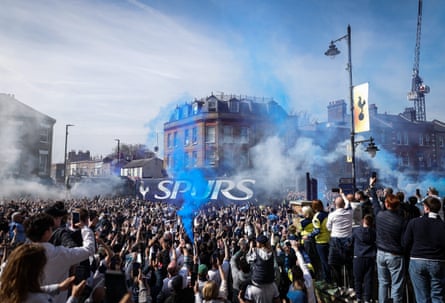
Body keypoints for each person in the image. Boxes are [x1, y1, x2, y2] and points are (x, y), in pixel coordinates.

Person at [24, 212, 95, 303]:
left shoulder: (19, 255)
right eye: (51, 229)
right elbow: (89, 249)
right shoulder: (60, 254)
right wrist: (85, 228)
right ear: (46, 233)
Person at [0, 243, 85, 303]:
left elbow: (28, 292)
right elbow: (32, 295)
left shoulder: (5, 287)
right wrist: (74, 297)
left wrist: (58, 287)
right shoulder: (38, 299)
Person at [370, 176, 406, 303]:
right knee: (396, 285)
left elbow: (374, 203)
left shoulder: (380, 215)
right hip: (395, 254)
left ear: (386, 204)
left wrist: (372, 187)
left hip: (381, 253)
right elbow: (405, 241)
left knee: (383, 283)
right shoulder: (402, 221)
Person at [402, 196, 445, 303]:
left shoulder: (414, 222)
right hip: (438, 262)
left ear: (426, 208)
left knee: (422, 297)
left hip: (417, 260)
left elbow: (405, 243)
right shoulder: (442, 225)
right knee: (438, 295)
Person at [243, 235, 280, 303]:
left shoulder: (257, 251)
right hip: (270, 280)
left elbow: (248, 260)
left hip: (257, 281)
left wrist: (250, 248)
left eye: (257, 242)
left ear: (261, 244)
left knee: (244, 285)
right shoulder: (271, 252)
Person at [326, 194, 353, 287]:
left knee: (335, 266)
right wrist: (342, 194)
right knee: (349, 266)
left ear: (334, 204)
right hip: (348, 240)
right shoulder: (350, 212)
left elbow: (328, 228)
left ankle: (339, 287)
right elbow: (348, 203)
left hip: (335, 240)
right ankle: (351, 288)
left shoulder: (332, 215)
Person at [304, 200, 330, 283]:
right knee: (328, 261)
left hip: (321, 242)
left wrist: (308, 235)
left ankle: (327, 280)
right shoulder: (327, 214)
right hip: (329, 240)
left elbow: (317, 230)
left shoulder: (317, 217)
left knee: (323, 262)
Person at [352, 214, 376, 303]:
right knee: (368, 280)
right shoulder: (374, 232)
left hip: (358, 257)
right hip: (370, 257)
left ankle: (358, 297)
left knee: (358, 279)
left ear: (363, 221)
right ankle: (367, 299)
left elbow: (350, 242)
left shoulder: (356, 231)